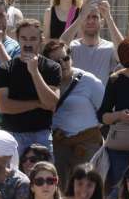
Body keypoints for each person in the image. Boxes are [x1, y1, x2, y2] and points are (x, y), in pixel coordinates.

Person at [0, 18, 61, 156]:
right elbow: (4, 107)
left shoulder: (52, 68)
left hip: (41, 135)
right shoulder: (5, 69)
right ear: (18, 39)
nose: (28, 43)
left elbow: (51, 104)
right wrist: (37, 103)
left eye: (32, 39)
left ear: (40, 40)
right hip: (12, 135)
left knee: (44, 176)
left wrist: (35, 72)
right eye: (24, 38)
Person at [43, 40, 103, 190]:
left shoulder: (89, 80)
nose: (62, 64)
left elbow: (104, 111)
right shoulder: (43, 82)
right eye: (56, 61)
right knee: (59, 188)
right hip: (58, 142)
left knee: (86, 187)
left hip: (86, 144)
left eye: (65, 58)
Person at [97, 39, 129, 199]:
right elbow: (102, 116)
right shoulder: (115, 80)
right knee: (118, 193)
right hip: (120, 147)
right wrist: (119, 115)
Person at [59, 0, 124, 86]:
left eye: (95, 17)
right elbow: (61, 44)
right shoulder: (73, 46)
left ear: (102, 22)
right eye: (87, 17)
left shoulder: (110, 47)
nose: (90, 21)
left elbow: (124, 53)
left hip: (101, 99)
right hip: (76, 98)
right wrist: (81, 17)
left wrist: (108, 17)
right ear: (81, 21)